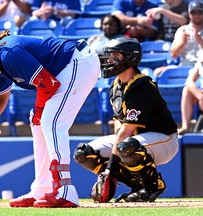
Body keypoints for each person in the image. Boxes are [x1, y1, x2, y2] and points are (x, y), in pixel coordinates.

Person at [0, 24, 100, 207]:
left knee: (50, 121)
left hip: (78, 62)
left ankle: (65, 191)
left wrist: (39, 111)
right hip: (67, 69)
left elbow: (48, 84)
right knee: (38, 123)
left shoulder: (9, 52)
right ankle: (41, 189)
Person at [73, 37, 179, 202]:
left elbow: (126, 131)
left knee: (125, 146)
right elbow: (119, 126)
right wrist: (110, 170)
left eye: (116, 55)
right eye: (110, 55)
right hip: (134, 140)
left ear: (130, 58)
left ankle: (153, 186)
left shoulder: (142, 87)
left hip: (164, 140)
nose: (110, 60)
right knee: (84, 154)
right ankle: (137, 186)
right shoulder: (116, 86)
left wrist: (110, 168)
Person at [153, 0, 203, 76]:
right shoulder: (182, 30)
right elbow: (173, 54)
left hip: (201, 66)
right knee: (158, 72)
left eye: (199, 12)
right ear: (189, 14)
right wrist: (183, 42)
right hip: (185, 66)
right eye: (194, 13)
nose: (197, 15)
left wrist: (198, 38)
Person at [178, 60, 203, 135]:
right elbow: (189, 82)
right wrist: (200, 97)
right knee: (187, 90)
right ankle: (185, 126)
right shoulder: (200, 63)